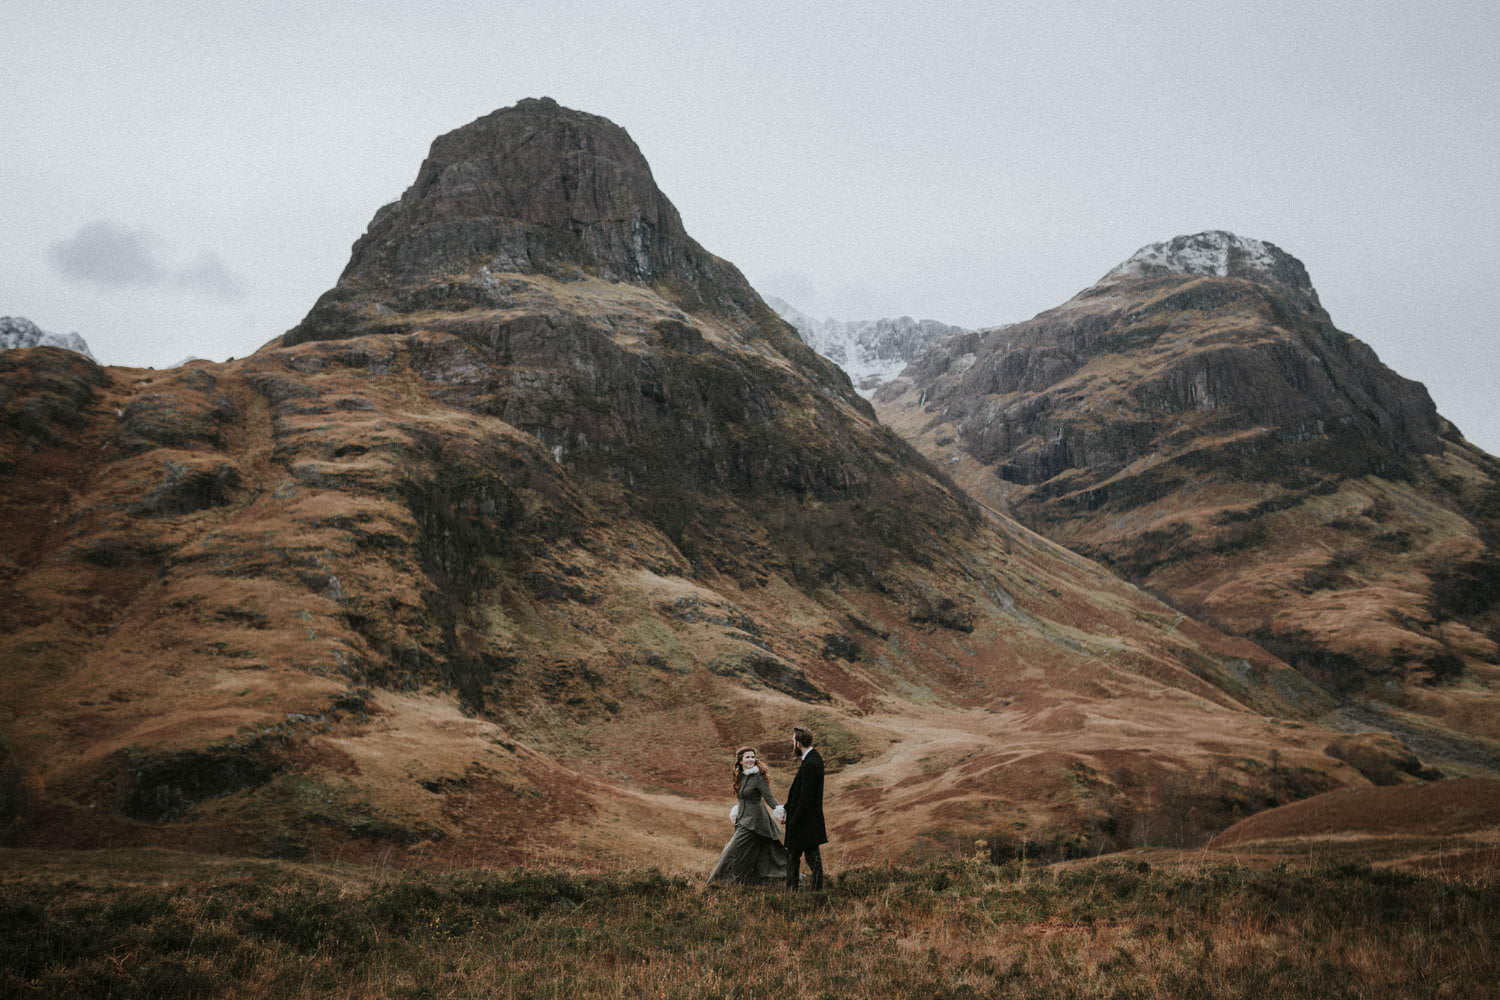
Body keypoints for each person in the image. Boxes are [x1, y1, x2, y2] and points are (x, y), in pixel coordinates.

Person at [706, 747, 788, 885]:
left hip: (755, 822)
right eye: (747, 757)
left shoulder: (758, 777)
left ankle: (716, 884)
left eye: (752, 757)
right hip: (743, 820)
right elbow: (742, 798)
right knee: (764, 853)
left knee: (730, 852)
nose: (750, 759)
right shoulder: (742, 776)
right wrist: (736, 811)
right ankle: (749, 882)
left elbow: (769, 798)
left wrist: (780, 812)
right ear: (740, 761)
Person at [777, 726, 827, 891]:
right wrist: (787, 808)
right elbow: (800, 792)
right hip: (807, 819)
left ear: (798, 743)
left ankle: (798, 890)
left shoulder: (811, 763)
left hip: (804, 821)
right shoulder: (812, 759)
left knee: (801, 857)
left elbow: (806, 797)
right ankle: (808, 889)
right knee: (801, 856)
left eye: (793, 741)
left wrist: (794, 818)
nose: (792, 744)